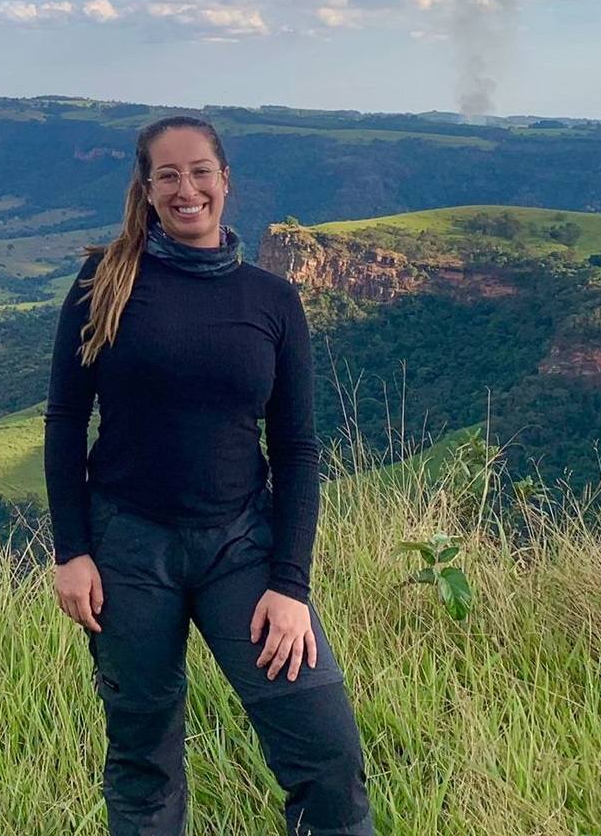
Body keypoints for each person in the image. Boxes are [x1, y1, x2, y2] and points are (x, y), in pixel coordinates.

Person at [44, 115, 373, 836]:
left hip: (241, 549)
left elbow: (296, 448)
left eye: (199, 171)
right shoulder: (102, 281)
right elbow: (66, 419)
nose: (185, 188)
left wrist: (289, 586)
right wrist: (71, 551)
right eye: (167, 174)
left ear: (225, 180)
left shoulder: (272, 301)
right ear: (147, 187)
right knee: (142, 760)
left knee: (326, 756)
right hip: (127, 550)